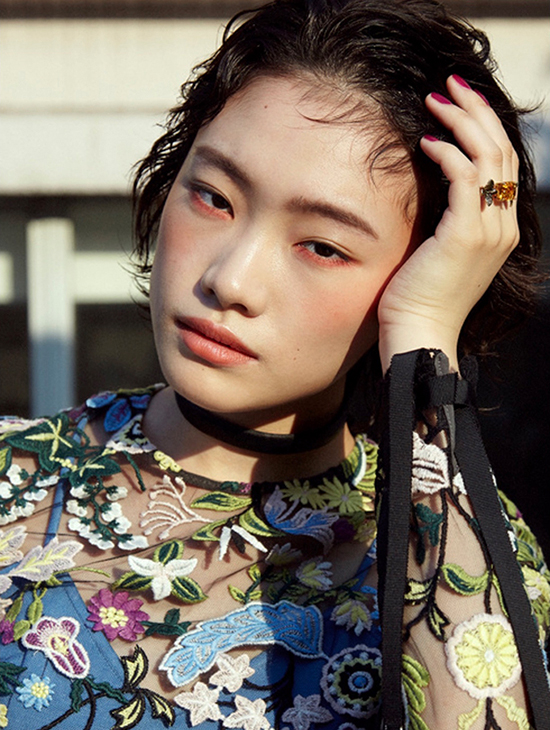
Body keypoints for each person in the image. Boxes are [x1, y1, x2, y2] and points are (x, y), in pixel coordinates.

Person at [0, 0, 548, 728]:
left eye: (322, 246)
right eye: (213, 196)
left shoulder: (463, 548)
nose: (230, 279)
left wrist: (423, 334)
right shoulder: (12, 482)